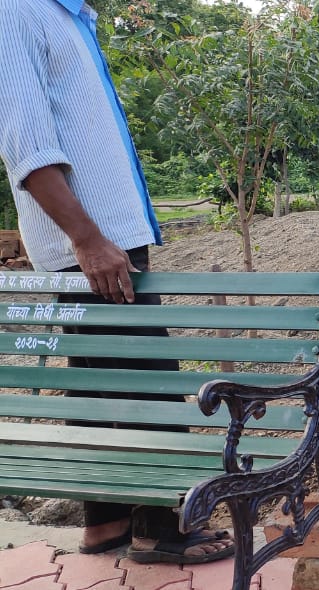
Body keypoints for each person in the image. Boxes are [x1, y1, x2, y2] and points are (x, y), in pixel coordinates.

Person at [0, 0, 233, 564]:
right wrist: (86, 239)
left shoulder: (69, 18)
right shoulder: (16, 10)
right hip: (94, 245)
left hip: (101, 241)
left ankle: (106, 522)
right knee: (145, 380)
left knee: (97, 384)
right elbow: (26, 143)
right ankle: (165, 528)